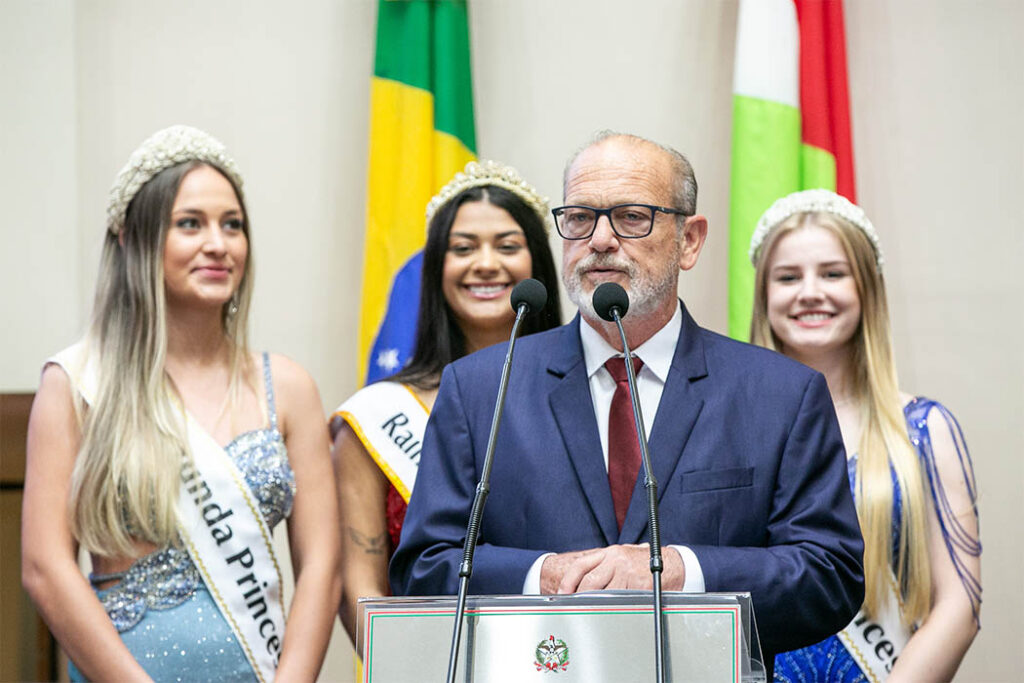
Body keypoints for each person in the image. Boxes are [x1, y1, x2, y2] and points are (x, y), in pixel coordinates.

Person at [389, 132, 865, 665]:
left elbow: (830, 574)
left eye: (632, 217)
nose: (600, 240)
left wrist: (680, 570)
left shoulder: (781, 394)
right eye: (580, 218)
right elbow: (424, 568)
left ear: (689, 240)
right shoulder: (480, 388)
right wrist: (540, 576)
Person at [21, 125, 341, 682]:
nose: (218, 244)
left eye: (233, 225)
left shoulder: (288, 387)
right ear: (134, 239)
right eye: (190, 223)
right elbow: (45, 567)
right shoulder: (76, 383)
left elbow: (323, 568)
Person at [748, 189, 981, 682]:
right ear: (764, 295)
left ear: (867, 289)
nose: (810, 291)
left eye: (833, 273)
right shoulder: (725, 428)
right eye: (788, 277)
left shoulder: (923, 428)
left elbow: (959, 605)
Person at [330, 160, 562, 642]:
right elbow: (361, 584)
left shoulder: (593, 395)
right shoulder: (375, 417)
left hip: (568, 653)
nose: (485, 263)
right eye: (463, 248)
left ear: (537, 261)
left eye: (507, 246)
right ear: (437, 268)